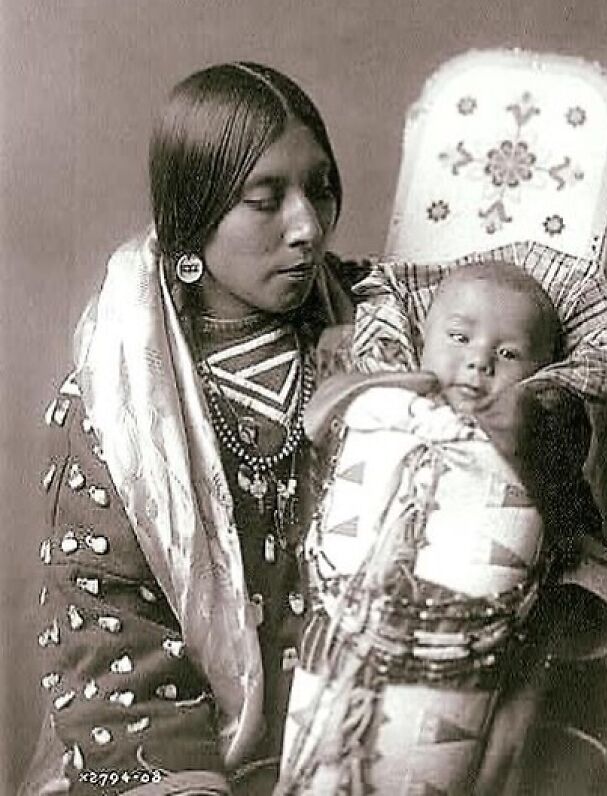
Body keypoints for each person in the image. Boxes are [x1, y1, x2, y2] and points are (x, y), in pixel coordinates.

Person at [20, 63, 367, 796]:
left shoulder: (384, 325)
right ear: (195, 215)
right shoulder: (118, 402)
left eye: (321, 187)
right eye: (265, 200)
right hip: (186, 761)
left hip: (363, 747)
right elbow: (107, 623)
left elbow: (546, 305)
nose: (306, 226)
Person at [275, 263, 607, 795]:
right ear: (421, 338)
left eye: (508, 354)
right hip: (340, 644)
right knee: (314, 772)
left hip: (459, 670)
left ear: (543, 370)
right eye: (459, 338)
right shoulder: (380, 408)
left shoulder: (541, 449)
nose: (478, 360)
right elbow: (320, 444)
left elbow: (574, 540)